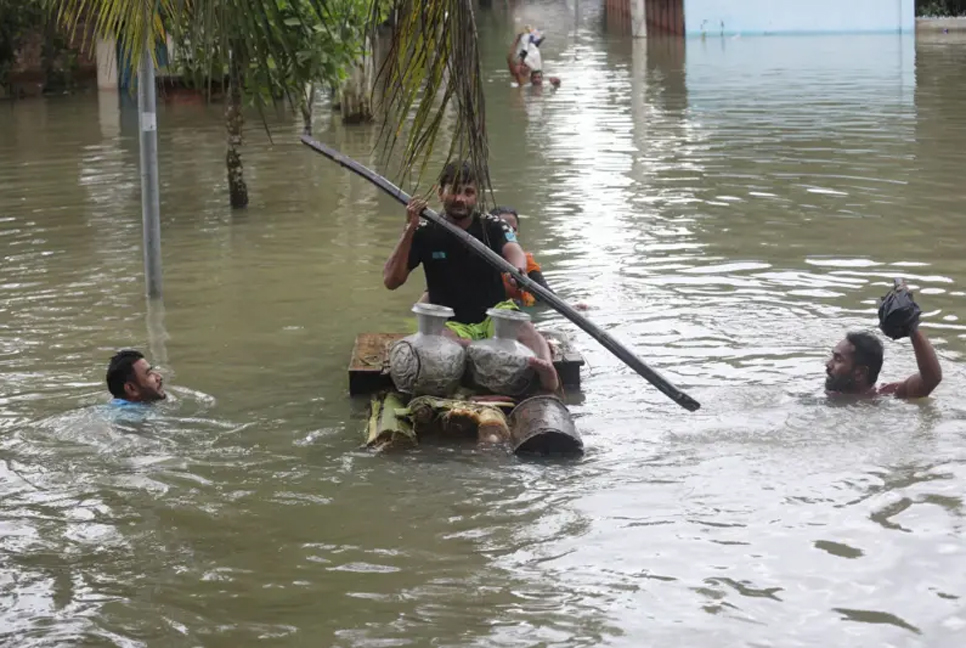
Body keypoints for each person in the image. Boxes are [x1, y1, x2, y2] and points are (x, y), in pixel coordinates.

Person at [383, 161, 560, 392]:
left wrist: (518, 270)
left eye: (468, 193)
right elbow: (391, 281)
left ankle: (547, 369)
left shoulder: (492, 225)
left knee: (527, 330)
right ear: (440, 191)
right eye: (454, 191)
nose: (460, 199)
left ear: (476, 196)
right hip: (451, 323)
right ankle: (483, 349)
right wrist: (409, 230)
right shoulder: (424, 231)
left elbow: (513, 250)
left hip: (494, 315)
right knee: (442, 340)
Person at [825, 284, 942, 399]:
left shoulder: (886, 396)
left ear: (859, 372)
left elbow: (931, 379)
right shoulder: (820, 395)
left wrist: (912, 327)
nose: (828, 364)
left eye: (838, 359)